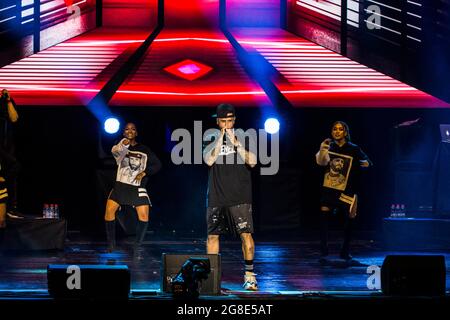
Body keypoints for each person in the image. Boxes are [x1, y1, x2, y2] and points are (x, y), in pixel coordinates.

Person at [203, 103, 258, 291]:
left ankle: (250, 276)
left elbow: (252, 162)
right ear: (218, 121)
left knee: (246, 235)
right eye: (223, 121)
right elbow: (208, 160)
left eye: (230, 120)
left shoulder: (245, 136)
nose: (227, 124)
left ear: (234, 120)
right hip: (217, 195)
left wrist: (236, 144)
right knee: (212, 236)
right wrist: (221, 138)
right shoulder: (210, 137)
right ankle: (210, 277)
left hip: (240, 195)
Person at [104, 122, 162, 259]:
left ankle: (137, 246)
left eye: (133, 129)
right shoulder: (120, 147)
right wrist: (123, 144)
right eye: (127, 129)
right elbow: (115, 152)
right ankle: (111, 245)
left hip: (137, 187)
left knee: (144, 216)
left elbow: (158, 165)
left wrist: (145, 172)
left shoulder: (145, 149)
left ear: (136, 133)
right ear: (124, 132)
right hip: (121, 186)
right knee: (109, 212)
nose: (130, 131)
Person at [316, 121, 371, 262]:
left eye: (340, 129)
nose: (337, 131)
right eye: (335, 129)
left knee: (348, 221)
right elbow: (320, 162)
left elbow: (367, 163)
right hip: (329, 189)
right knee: (323, 219)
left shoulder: (353, 148)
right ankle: (323, 249)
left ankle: (345, 251)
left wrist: (359, 166)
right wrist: (323, 149)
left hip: (346, 190)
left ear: (345, 132)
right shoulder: (328, 146)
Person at [0, 89, 19, 213]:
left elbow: (14, 118)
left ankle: (10, 208)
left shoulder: (7, 100)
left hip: (7, 144)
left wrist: (8, 100)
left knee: (14, 169)